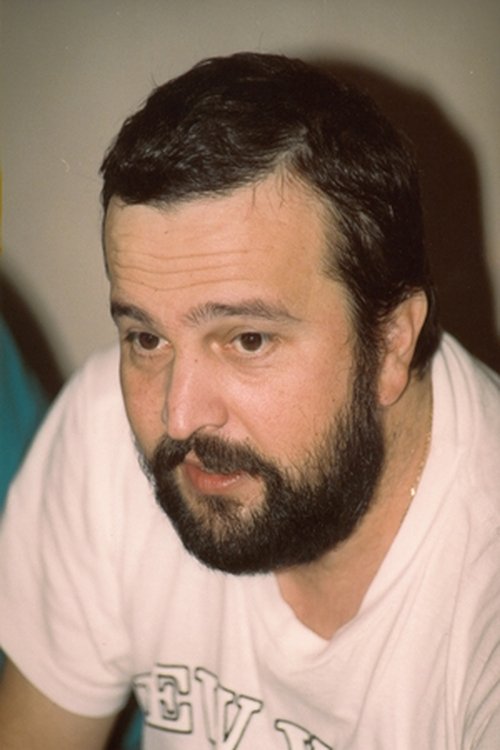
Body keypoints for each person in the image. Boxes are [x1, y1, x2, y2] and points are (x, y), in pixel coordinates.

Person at [0, 52, 499, 750]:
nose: (178, 416)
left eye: (248, 339)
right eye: (146, 338)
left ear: (391, 343)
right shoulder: (100, 428)